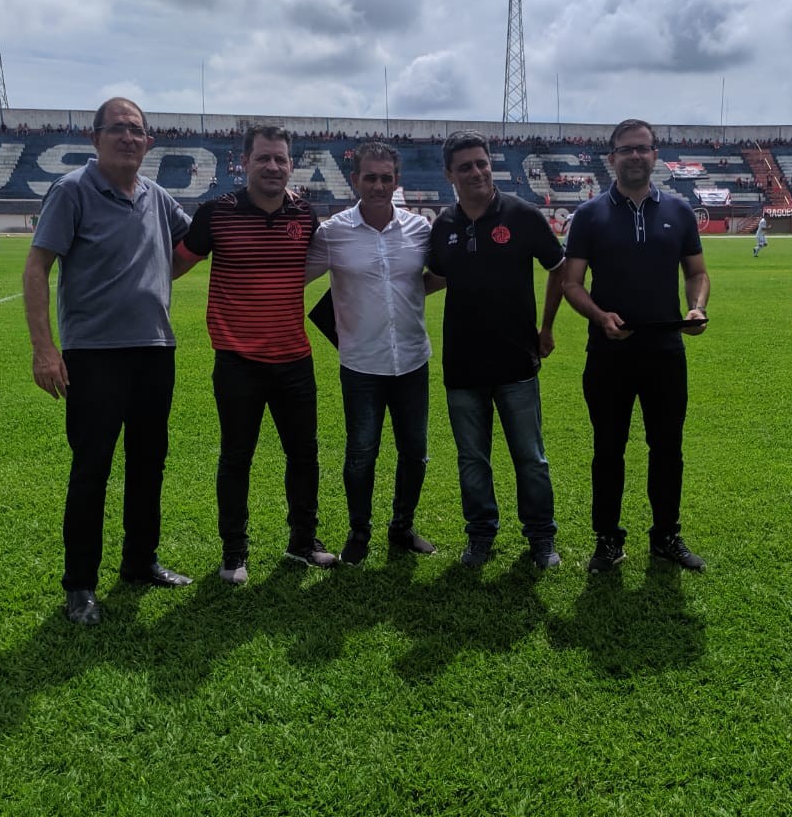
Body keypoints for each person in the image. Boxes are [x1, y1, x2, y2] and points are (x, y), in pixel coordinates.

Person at [22, 97, 193, 626]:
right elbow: (35, 269)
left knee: (149, 465)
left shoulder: (158, 197)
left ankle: (140, 562)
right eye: (116, 128)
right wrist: (45, 349)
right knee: (91, 470)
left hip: (154, 352)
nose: (127, 136)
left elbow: (194, 244)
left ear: (149, 142)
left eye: (136, 129)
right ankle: (80, 585)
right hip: (93, 357)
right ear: (94, 138)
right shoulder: (72, 190)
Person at [173, 125, 337, 584]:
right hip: (237, 362)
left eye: (280, 159)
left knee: (304, 456)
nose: (272, 166)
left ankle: (303, 542)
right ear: (243, 162)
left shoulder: (305, 216)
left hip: (294, 359)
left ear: (290, 165)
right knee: (236, 457)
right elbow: (172, 265)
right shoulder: (215, 215)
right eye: (263, 158)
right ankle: (234, 553)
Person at [563, 118, 710, 575]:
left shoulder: (680, 211)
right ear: (611, 159)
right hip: (609, 354)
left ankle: (666, 536)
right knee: (609, 449)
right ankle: (607, 540)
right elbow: (571, 283)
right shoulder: (589, 215)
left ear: (655, 155)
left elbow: (697, 273)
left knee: (668, 448)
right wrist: (600, 316)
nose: (634, 156)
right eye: (625, 150)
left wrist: (697, 308)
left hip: (666, 351)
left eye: (642, 148)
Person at [427, 130, 566, 570]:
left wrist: (546, 327)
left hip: (516, 360)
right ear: (450, 173)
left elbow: (558, 268)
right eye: (465, 166)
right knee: (472, 459)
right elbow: (435, 279)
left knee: (531, 458)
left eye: (482, 162)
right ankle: (481, 535)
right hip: (463, 365)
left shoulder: (522, 215)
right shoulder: (444, 225)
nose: (476, 171)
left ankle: (541, 537)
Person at [306, 142, 440, 567]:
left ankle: (402, 527)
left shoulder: (420, 229)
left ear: (396, 181)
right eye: (370, 177)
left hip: (413, 360)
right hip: (361, 364)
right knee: (362, 452)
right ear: (355, 181)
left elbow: (439, 274)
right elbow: (293, 276)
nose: (379, 185)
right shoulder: (333, 233)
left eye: (386, 177)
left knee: (415, 450)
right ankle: (359, 531)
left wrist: (405, 292)